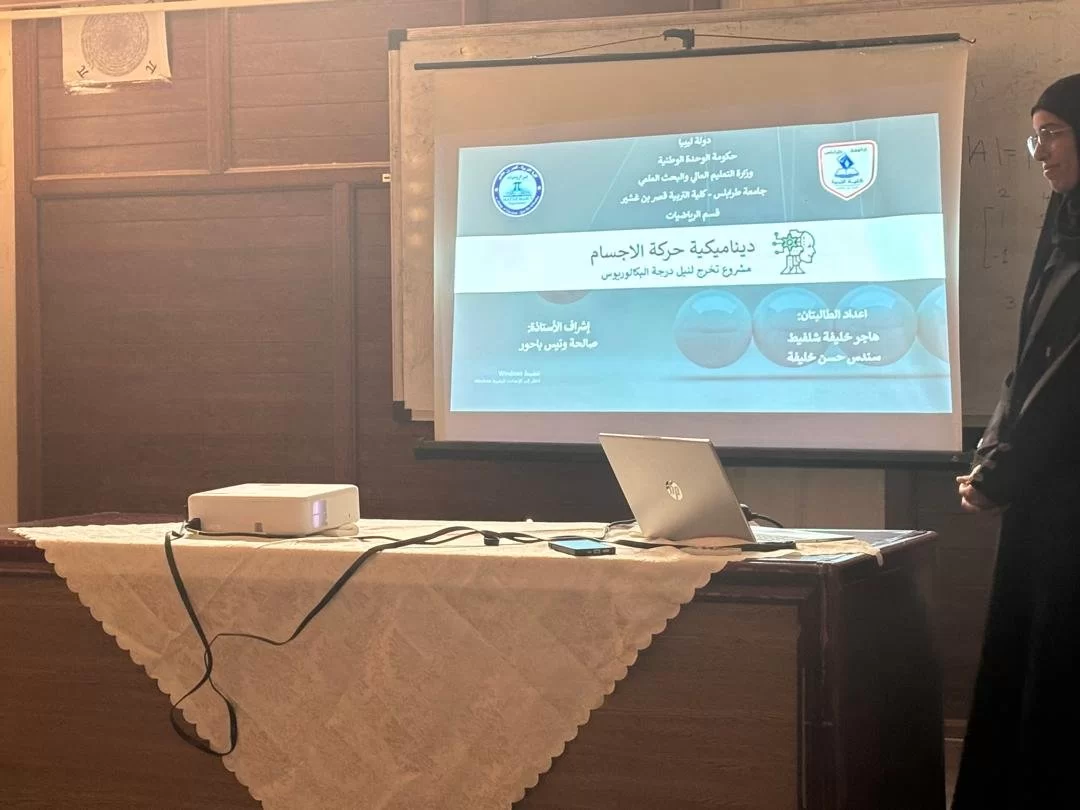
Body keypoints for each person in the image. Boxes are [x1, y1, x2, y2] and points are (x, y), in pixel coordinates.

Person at [952, 73, 1080, 808]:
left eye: (1054, 133)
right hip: (1040, 492)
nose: (1041, 152)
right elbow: (1028, 357)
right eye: (1035, 137)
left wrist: (1005, 470)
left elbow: (1069, 377)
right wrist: (989, 457)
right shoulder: (1061, 228)